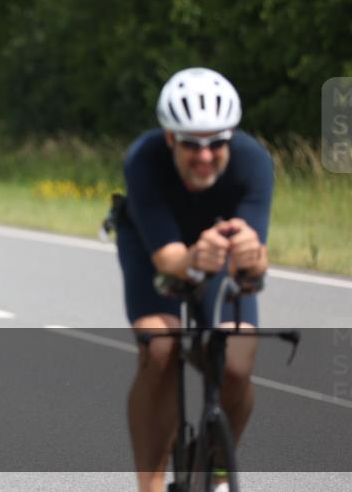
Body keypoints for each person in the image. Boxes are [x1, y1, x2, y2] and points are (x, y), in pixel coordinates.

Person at [115, 68, 272, 492]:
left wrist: (250, 258)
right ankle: (149, 484)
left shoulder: (254, 162)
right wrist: (193, 258)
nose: (205, 156)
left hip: (217, 246)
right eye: (191, 145)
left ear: (231, 139)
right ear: (170, 139)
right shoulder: (144, 159)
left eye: (217, 143)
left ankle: (216, 471)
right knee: (160, 347)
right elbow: (168, 260)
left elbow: (256, 268)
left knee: (235, 360)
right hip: (156, 246)